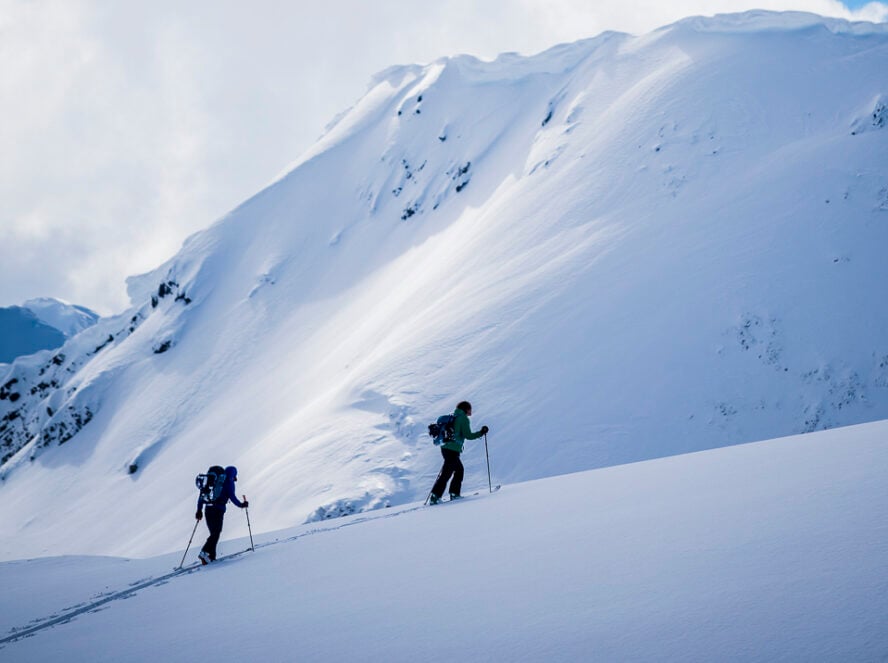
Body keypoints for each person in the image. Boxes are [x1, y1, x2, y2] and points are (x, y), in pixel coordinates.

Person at [429, 401, 489, 504]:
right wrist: (481, 433)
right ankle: (436, 496)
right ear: (466, 409)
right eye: (470, 409)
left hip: (446, 447)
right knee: (447, 473)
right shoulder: (463, 419)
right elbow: (468, 435)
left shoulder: (454, 416)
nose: (471, 411)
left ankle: (452, 493)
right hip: (452, 449)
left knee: (458, 470)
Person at [196, 465, 248, 564]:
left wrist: (199, 510)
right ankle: (204, 552)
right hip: (218, 510)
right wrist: (242, 505)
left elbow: (201, 497)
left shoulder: (212, 483)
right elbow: (232, 497)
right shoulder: (229, 483)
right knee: (216, 533)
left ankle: (211, 557)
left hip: (208, 510)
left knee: (214, 533)